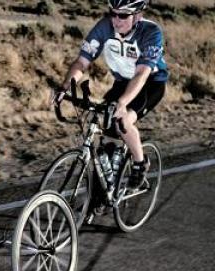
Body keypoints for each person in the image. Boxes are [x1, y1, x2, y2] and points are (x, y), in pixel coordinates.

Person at [52, 0, 168, 189]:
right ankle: (106, 184)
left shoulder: (150, 32)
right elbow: (82, 62)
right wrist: (65, 86)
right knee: (104, 127)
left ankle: (140, 163)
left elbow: (141, 73)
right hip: (122, 82)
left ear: (137, 15)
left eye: (123, 15)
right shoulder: (104, 27)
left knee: (122, 121)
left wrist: (122, 103)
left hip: (150, 83)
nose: (116, 20)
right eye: (112, 13)